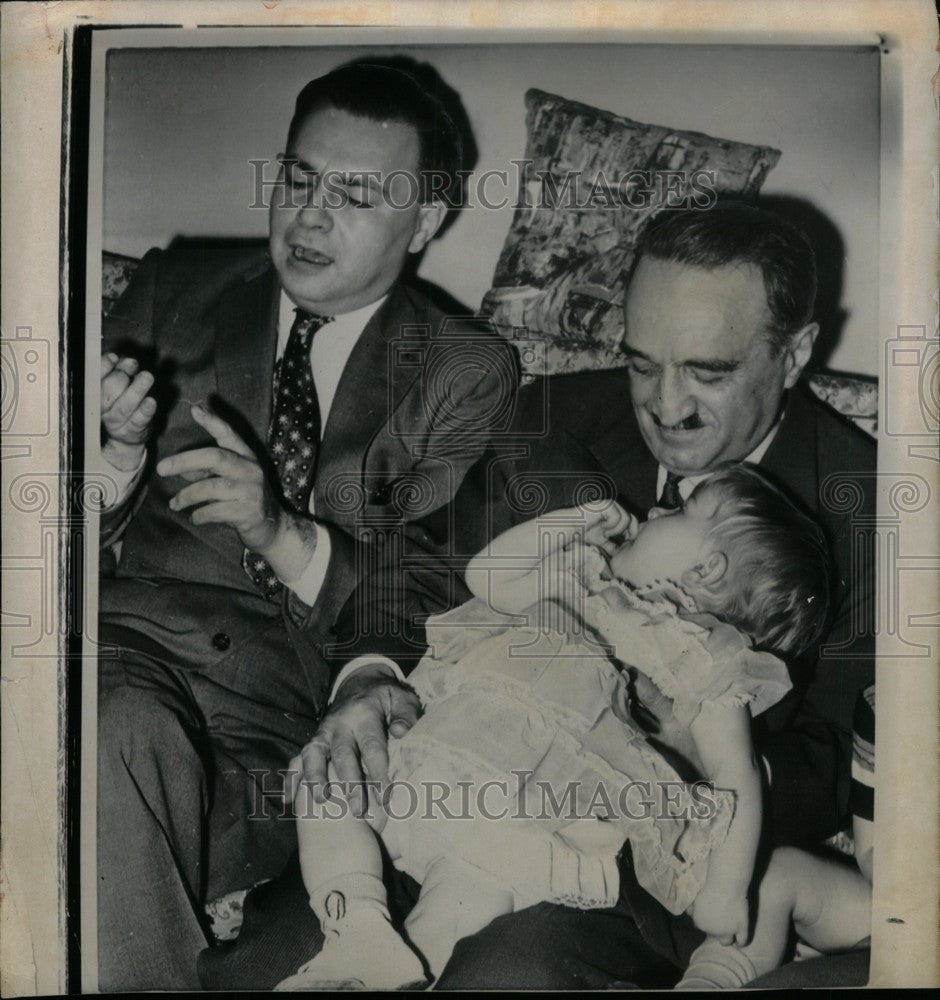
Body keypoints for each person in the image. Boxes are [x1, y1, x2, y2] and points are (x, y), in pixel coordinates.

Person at [223, 201, 874, 990]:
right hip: (451, 765)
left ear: (795, 351)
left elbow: (847, 755)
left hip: (616, 857)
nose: (665, 407)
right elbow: (419, 570)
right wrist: (368, 681)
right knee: (269, 960)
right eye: (641, 363)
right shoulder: (549, 417)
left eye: (708, 372)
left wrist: (702, 752)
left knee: (503, 974)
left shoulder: (866, 508)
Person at [96, 60, 518, 991]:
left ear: (429, 222)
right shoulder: (175, 289)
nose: (309, 216)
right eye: (297, 179)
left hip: (276, 725)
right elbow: (42, 528)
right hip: (117, 653)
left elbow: (429, 591)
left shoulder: (462, 369)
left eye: (357, 194)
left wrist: (278, 529)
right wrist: (113, 460)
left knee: (106, 754)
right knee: (109, 720)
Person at [274, 465, 836, 991]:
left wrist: (727, 888)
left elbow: (735, 773)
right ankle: (357, 928)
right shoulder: (584, 577)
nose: (655, 512)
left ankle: (384, 961)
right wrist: (575, 520)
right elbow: (488, 576)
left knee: (459, 902)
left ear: (707, 569)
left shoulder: (707, 664)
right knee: (325, 782)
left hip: (532, 815)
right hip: (443, 755)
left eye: (682, 510)